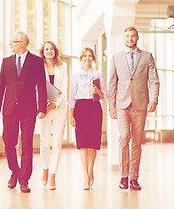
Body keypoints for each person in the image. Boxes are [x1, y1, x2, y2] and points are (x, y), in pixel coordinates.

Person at [0, 31, 47, 193]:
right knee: (9, 142)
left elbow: (41, 86)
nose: (10, 44)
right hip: (9, 109)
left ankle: (24, 179)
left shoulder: (36, 62)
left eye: (13, 42)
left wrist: (42, 108)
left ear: (22, 44)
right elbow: (0, 86)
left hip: (28, 109)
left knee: (27, 143)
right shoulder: (6, 61)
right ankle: (14, 170)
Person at [108, 26, 159, 190]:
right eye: (127, 36)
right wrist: (111, 106)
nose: (130, 39)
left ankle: (133, 178)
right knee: (124, 138)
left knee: (136, 142)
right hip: (122, 105)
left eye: (133, 36)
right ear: (124, 38)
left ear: (137, 38)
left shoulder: (147, 56)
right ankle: (123, 176)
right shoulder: (116, 57)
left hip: (140, 104)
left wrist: (153, 100)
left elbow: (154, 80)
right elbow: (112, 83)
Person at [68, 47, 107, 190]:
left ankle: (91, 170)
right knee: (83, 143)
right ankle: (85, 175)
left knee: (93, 143)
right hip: (80, 108)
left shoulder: (98, 74)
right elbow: (71, 96)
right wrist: (71, 114)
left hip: (95, 107)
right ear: (81, 58)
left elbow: (105, 95)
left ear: (93, 59)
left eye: (90, 56)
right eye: (84, 56)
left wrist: (98, 92)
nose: (87, 58)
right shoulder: (75, 75)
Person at [37, 41, 68, 190]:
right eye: (46, 49)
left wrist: (56, 104)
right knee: (45, 143)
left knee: (56, 144)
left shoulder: (63, 67)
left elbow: (64, 88)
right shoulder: (38, 67)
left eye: (51, 49)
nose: (49, 51)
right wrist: (43, 103)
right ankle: (45, 169)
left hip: (59, 109)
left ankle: (52, 176)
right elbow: (35, 88)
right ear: (43, 52)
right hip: (44, 109)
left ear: (55, 51)